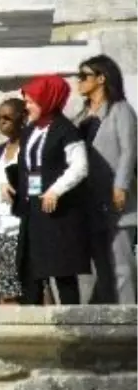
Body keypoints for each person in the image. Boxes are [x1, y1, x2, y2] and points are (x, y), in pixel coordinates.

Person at [5, 74, 91, 306]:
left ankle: (73, 325)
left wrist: (56, 190)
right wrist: (13, 182)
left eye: (32, 101)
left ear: (48, 100)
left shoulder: (66, 131)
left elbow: (80, 166)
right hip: (33, 210)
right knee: (32, 270)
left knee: (62, 270)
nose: (27, 106)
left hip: (57, 212)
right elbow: (31, 165)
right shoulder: (31, 131)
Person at [75, 55, 138, 304]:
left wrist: (120, 185)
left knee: (121, 265)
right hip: (90, 200)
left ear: (101, 78)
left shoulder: (120, 109)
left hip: (116, 199)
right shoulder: (81, 115)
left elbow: (129, 150)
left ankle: (129, 318)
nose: (78, 82)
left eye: (83, 76)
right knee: (101, 267)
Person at [0, 98, 26, 305]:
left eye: (7, 117)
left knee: (30, 290)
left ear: (22, 118)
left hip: (22, 228)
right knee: (5, 289)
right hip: (1, 230)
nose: (2, 122)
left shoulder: (29, 148)